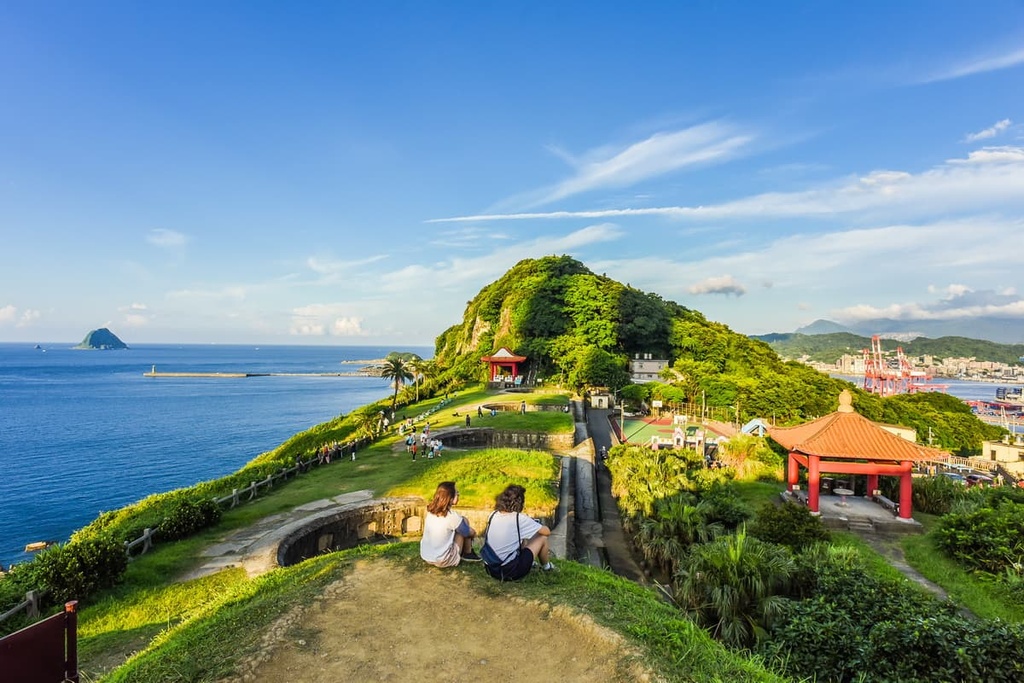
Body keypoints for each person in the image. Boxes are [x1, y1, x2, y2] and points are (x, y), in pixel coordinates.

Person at [481, 484, 554, 580]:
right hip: (509, 572)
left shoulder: (493, 514)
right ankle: (547, 567)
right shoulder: (519, 518)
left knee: (521, 534)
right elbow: (546, 532)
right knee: (542, 538)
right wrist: (534, 524)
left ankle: (530, 562)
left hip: (491, 568)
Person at [420, 482, 479, 567]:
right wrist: (473, 532)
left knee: (461, 522)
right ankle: (468, 553)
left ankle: (465, 553)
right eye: (457, 493)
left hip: (426, 556)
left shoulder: (431, 512)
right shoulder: (451, 516)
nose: (459, 495)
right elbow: (467, 533)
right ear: (450, 498)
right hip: (443, 560)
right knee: (463, 524)